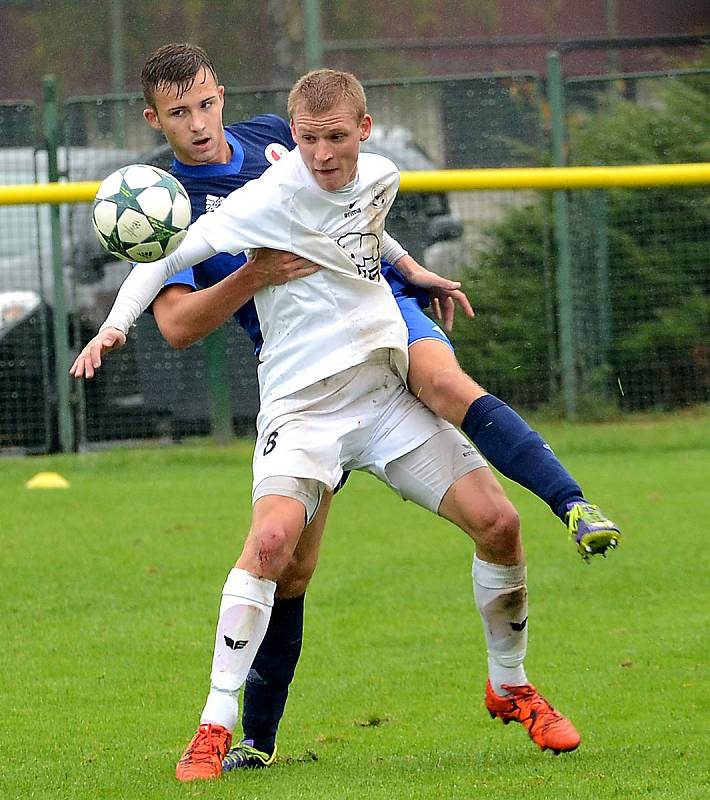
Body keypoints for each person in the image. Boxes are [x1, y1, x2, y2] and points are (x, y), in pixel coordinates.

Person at [74, 43, 619, 771]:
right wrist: (124, 322)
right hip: (303, 392)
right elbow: (172, 300)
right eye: (180, 112)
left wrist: (409, 267)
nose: (200, 122)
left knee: (492, 504)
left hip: (381, 356)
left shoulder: (297, 143)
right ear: (156, 119)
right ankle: (235, 731)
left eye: (206, 103)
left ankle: (525, 649)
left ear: (359, 130)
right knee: (282, 562)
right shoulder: (195, 201)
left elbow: (356, 209)